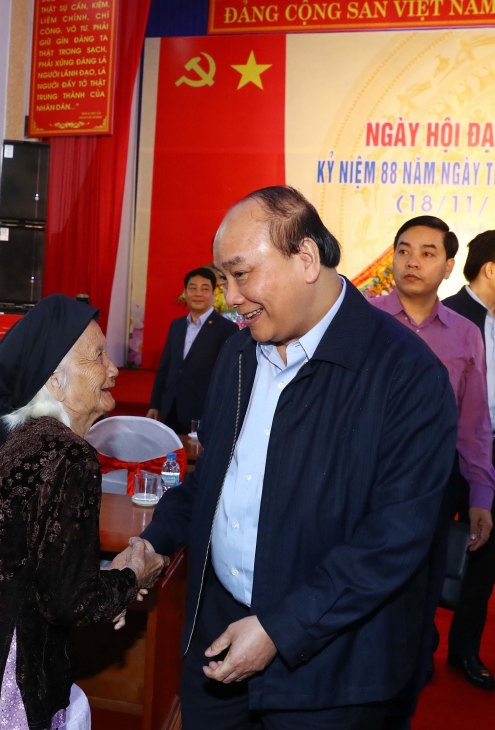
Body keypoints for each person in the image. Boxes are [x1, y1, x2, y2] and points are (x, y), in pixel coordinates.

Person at [125, 186, 457, 729]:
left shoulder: (406, 374)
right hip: (220, 644)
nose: (230, 298)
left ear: (306, 258)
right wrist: (152, 544)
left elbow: (396, 538)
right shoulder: (238, 354)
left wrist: (281, 627)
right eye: (222, 278)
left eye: (241, 275)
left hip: (333, 676)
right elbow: (213, 477)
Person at [0, 294, 167, 730]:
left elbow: (39, 573)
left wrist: (111, 588)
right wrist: (132, 578)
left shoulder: (16, 437)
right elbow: (68, 600)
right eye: (98, 355)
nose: (113, 369)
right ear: (55, 381)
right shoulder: (65, 455)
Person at [434, 227, 495, 688]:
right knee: (425, 552)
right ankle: (417, 646)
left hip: (488, 459)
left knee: (483, 556)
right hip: (441, 459)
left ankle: (464, 650)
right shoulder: (447, 317)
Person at [147, 267, 237, 434]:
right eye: (193, 288)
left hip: (202, 411)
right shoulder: (177, 325)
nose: (198, 293)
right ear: (185, 292)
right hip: (171, 408)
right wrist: (155, 404)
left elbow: (228, 376)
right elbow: (165, 368)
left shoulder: (227, 329)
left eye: (204, 289)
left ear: (213, 294)